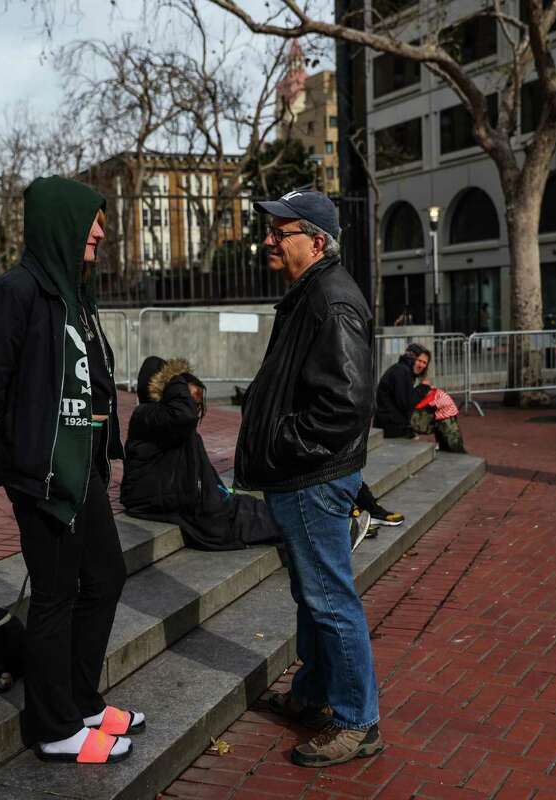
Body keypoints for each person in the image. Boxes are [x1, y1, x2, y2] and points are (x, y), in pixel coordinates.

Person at [0, 176, 141, 766]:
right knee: (56, 594)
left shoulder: (75, 294)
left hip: (81, 468)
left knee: (106, 577)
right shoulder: (15, 293)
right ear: (61, 221)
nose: (101, 230)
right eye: (92, 219)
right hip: (41, 474)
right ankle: (53, 725)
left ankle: (81, 700)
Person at [235, 190, 383, 767]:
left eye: (283, 231)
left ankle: (357, 722)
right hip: (303, 475)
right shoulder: (311, 294)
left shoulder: (331, 299)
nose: (270, 239)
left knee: (329, 599)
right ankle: (316, 695)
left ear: (316, 240)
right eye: (270, 230)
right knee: (314, 597)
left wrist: (278, 445)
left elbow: (345, 402)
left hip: (310, 477)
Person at [120, 356, 281, 551]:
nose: (195, 408)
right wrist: (176, 378)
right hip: (150, 499)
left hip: (173, 496)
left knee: (268, 512)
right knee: (269, 521)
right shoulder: (146, 415)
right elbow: (184, 415)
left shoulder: (165, 421)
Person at [375, 344, 467, 454]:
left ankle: (450, 448)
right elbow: (406, 404)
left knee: (442, 410)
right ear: (411, 358)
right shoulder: (401, 372)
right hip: (393, 426)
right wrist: (423, 388)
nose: (421, 365)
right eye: (419, 361)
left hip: (393, 422)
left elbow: (405, 400)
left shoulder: (402, 370)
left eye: (424, 363)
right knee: (443, 414)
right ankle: (455, 450)